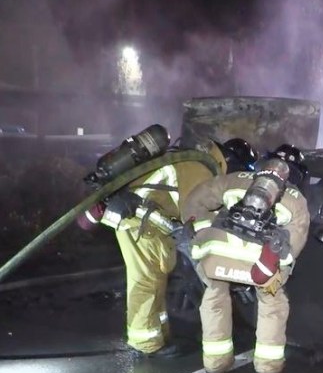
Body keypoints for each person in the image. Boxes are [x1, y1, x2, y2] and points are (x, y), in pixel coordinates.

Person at [77, 132, 259, 357]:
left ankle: (159, 333)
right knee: (146, 280)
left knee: (156, 276)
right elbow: (196, 226)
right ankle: (146, 343)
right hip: (139, 220)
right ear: (230, 163)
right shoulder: (201, 172)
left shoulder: (195, 161)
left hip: (144, 218)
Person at [181, 155, 310, 373]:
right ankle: (267, 366)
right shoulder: (296, 198)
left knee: (214, 297)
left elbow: (194, 200)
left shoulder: (233, 179)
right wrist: (277, 267)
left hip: (218, 254)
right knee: (272, 301)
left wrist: (203, 232)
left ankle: (215, 362)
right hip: (258, 265)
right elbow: (292, 247)